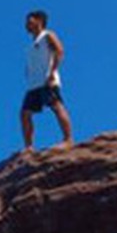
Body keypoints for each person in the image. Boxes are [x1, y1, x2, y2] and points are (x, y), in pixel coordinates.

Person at [21, 10, 74, 151]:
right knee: (25, 114)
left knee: (56, 106)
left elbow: (60, 50)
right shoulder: (31, 45)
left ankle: (68, 139)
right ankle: (29, 147)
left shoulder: (48, 35)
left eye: (29, 20)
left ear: (39, 21)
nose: (26, 24)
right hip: (33, 84)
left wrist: (52, 72)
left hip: (47, 80)